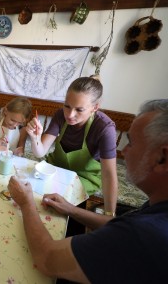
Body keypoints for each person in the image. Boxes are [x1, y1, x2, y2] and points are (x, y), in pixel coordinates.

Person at [8, 99, 168, 283]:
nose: (124, 151)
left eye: (132, 143)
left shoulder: (148, 235)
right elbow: (116, 223)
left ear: (163, 158)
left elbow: (46, 258)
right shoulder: (163, 207)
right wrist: (71, 209)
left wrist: (26, 203)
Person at [26, 76, 118, 215]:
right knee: (30, 193)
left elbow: (109, 174)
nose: (70, 115)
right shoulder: (59, 115)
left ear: (95, 107)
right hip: (55, 168)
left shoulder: (104, 128)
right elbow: (40, 152)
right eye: (67, 106)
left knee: (55, 208)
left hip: (83, 177)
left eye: (79, 110)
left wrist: (110, 215)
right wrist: (35, 138)